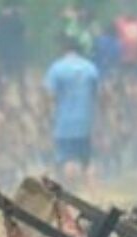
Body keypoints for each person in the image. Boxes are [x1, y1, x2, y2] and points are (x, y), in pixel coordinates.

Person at [44, 34, 100, 186]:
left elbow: (49, 96)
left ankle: (70, 194)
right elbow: (96, 96)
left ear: (63, 49)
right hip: (85, 122)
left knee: (66, 160)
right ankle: (95, 196)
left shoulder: (56, 68)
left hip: (64, 122)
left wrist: (48, 117)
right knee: (87, 161)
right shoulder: (90, 67)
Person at [0, 0, 26, 102]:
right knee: (17, 76)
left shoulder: (0, 21)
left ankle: (3, 97)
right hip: (14, 53)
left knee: (7, 75)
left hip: (4, 53)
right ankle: (21, 98)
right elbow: (24, 34)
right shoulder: (16, 20)